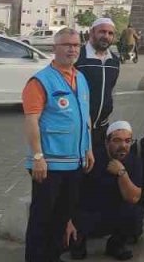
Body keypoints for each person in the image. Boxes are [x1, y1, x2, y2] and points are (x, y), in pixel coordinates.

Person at [22, 28, 94, 262]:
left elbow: (85, 117)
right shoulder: (40, 81)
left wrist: (88, 148)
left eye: (76, 45)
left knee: (62, 219)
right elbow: (31, 120)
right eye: (67, 45)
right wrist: (37, 157)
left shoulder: (80, 78)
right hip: (49, 164)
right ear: (54, 48)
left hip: (74, 162)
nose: (72, 49)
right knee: (41, 219)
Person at [71, 122, 143, 261]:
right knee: (76, 254)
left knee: (135, 214)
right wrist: (69, 221)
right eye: (117, 140)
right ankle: (79, 240)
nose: (123, 145)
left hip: (113, 211)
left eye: (127, 141)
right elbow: (72, 191)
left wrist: (122, 173)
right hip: (88, 211)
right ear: (107, 142)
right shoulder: (92, 159)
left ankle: (115, 245)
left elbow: (134, 197)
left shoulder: (134, 161)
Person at [75, 18, 122, 147]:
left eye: (110, 33)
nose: (106, 36)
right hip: (78, 127)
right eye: (102, 32)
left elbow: (109, 89)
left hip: (102, 128)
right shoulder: (78, 57)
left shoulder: (114, 61)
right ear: (92, 32)